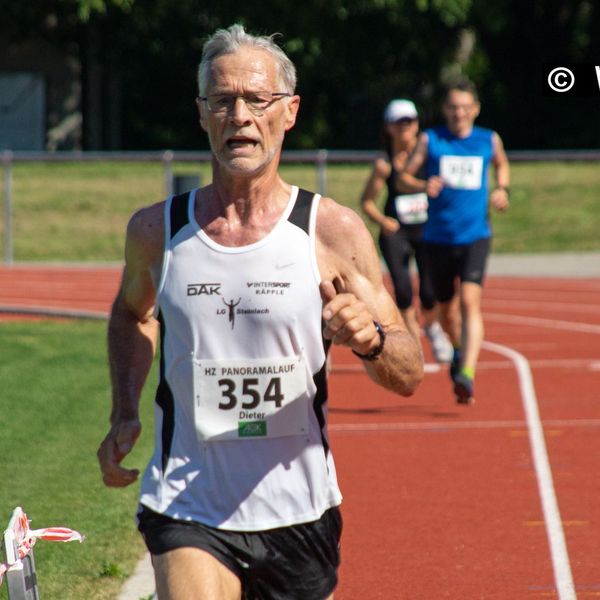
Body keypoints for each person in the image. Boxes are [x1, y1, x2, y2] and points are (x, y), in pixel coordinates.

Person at [97, 24, 423, 600]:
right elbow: (131, 315)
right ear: (202, 114)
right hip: (187, 502)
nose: (240, 116)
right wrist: (125, 410)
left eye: (257, 100)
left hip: (299, 511)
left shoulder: (330, 231)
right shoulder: (157, 232)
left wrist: (369, 339)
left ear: (289, 112)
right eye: (223, 100)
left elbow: (408, 371)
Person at [398, 79, 510, 405]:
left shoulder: (488, 139)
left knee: (470, 302)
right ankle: (459, 350)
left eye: (465, 107)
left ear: (475, 109)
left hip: (475, 235)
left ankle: (467, 373)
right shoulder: (430, 140)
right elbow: (403, 178)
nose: (459, 112)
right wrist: (422, 183)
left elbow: (502, 164)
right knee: (447, 313)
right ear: (446, 110)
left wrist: (502, 189)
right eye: (453, 107)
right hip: (437, 239)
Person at [359, 98, 453, 363]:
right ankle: (416, 347)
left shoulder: (429, 157)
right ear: (388, 127)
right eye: (399, 123)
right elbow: (366, 201)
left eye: (409, 122)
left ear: (417, 125)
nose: (405, 128)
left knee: (429, 292)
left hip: (427, 230)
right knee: (402, 290)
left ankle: (433, 329)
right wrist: (382, 220)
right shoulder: (384, 164)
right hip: (397, 230)